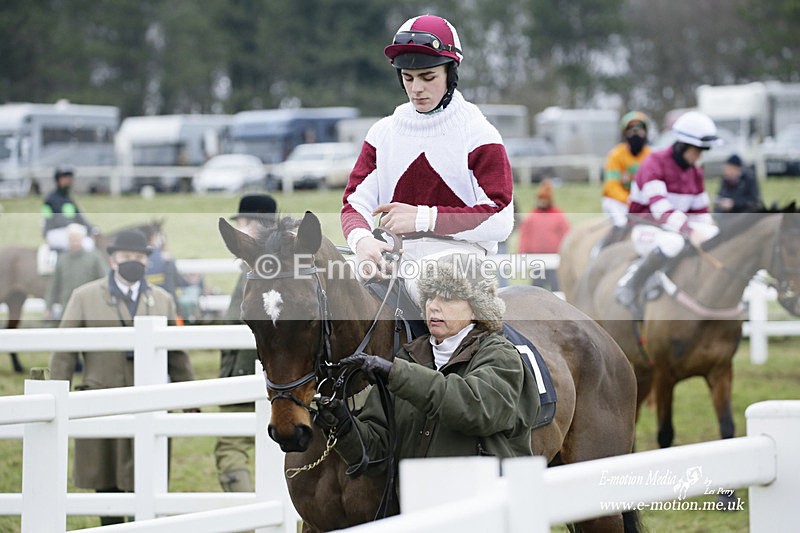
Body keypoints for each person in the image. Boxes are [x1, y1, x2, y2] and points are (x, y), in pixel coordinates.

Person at [315, 254, 539, 512]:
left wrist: (396, 373)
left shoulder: (500, 355)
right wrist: (343, 425)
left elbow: (474, 408)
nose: (434, 306)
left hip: (487, 511)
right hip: (420, 512)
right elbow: (377, 451)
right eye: (430, 297)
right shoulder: (409, 357)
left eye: (447, 297)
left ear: (477, 307)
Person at [340, 14, 514, 302]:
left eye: (428, 77)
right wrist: (362, 241)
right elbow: (353, 204)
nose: (416, 89)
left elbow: (500, 220)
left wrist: (423, 218)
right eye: (407, 78)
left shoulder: (480, 133)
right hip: (393, 256)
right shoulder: (382, 132)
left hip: (460, 261)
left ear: (450, 73)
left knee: (432, 292)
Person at [49, 229, 196, 526]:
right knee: (107, 479)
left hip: (150, 402)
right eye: (127, 257)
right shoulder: (85, 296)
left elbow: (177, 353)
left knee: (147, 479)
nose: (134, 262)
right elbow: (64, 352)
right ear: (113, 259)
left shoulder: (162, 299)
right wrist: (53, 398)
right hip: (102, 399)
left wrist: (190, 398)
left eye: (139, 257)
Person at [615, 110, 722, 319]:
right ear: (682, 145)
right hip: (644, 227)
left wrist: (711, 235)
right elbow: (661, 211)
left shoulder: (696, 172)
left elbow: (701, 213)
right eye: (698, 150)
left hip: (677, 229)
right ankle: (630, 285)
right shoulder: (653, 164)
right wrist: (691, 231)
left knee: (713, 235)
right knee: (672, 243)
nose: (700, 155)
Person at [215, 194, 277, 493]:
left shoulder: (259, 267)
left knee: (230, 449)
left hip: (247, 372)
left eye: (241, 223)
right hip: (263, 372)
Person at [598, 111, 652, 249]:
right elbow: (611, 187)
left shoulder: (651, 155)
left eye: (640, 130)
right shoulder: (616, 155)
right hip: (617, 201)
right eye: (631, 130)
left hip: (640, 202)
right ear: (624, 133)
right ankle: (602, 250)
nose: (636, 134)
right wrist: (629, 200)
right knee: (622, 224)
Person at [45, 223, 108, 322]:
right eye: (72, 239)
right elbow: (54, 285)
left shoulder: (94, 257)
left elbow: (105, 280)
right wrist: (48, 306)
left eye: (77, 239)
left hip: (90, 306)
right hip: (67, 307)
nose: (75, 242)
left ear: (82, 239)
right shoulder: (62, 259)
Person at [517, 179, 570, 290]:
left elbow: (566, 235)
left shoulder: (558, 216)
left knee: (556, 286)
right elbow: (525, 236)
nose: (542, 202)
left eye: (544, 199)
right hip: (536, 260)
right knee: (537, 286)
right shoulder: (531, 216)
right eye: (540, 199)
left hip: (554, 258)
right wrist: (522, 253)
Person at [41, 167, 96, 252]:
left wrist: (92, 228)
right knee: (87, 244)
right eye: (64, 178)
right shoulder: (52, 199)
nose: (68, 180)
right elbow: (60, 221)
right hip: (55, 232)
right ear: (58, 180)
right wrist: (81, 229)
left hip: (67, 230)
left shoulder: (68, 198)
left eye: (69, 178)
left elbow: (79, 217)